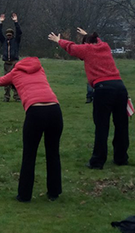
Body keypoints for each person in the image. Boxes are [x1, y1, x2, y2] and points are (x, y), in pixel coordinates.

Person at [49, 27, 129, 168]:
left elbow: (71, 47)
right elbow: (98, 40)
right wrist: (88, 35)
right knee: (121, 125)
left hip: (103, 89)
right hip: (120, 87)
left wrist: (58, 40)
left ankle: (98, 161)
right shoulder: (105, 46)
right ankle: (121, 158)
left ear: (86, 43)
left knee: (102, 126)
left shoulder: (86, 49)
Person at [0, 57, 62, 202]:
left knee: (29, 155)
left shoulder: (15, 72)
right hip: (55, 110)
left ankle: (24, 195)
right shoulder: (40, 69)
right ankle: (54, 193)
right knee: (53, 152)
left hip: (35, 112)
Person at [0, 13, 22, 102]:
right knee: (6, 81)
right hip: (6, 63)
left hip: (14, 62)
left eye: (10, 35)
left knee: (15, 80)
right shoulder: (4, 41)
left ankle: (17, 97)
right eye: (7, 34)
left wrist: (16, 22)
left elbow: (19, 32)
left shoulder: (16, 41)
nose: (8, 36)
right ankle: (6, 96)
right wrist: (0, 22)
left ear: (12, 35)